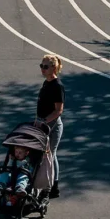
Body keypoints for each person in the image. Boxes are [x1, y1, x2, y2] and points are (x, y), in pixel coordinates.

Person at [36, 54, 64, 198]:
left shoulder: (57, 86)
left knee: (50, 156)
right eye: (41, 66)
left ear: (53, 68)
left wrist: (44, 121)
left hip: (53, 126)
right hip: (42, 123)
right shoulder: (46, 83)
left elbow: (58, 110)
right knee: (49, 155)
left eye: (45, 66)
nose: (42, 69)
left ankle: (52, 188)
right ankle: (51, 185)